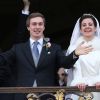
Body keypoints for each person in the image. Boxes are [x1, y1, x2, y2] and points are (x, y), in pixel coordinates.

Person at [0, 12, 92, 100]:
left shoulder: (55, 48)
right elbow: (2, 59)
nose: (37, 27)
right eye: (34, 24)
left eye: (40, 24)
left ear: (43, 27)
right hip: (23, 96)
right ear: (28, 27)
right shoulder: (18, 48)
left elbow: (65, 63)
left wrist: (75, 54)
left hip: (47, 95)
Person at [66, 13, 100, 100]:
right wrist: (80, 81)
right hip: (81, 88)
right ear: (80, 29)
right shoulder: (74, 48)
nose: (87, 27)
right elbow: (75, 68)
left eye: (90, 24)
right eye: (84, 25)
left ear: (95, 28)